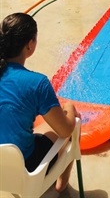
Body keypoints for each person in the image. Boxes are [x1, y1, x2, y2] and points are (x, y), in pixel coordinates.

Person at [0, 13, 80, 192]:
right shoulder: (37, 83)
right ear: (30, 44)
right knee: (73, 125)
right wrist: (69, 107)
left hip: (3, 164)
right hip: (23, 168)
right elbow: (64, 130)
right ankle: (61, 187)